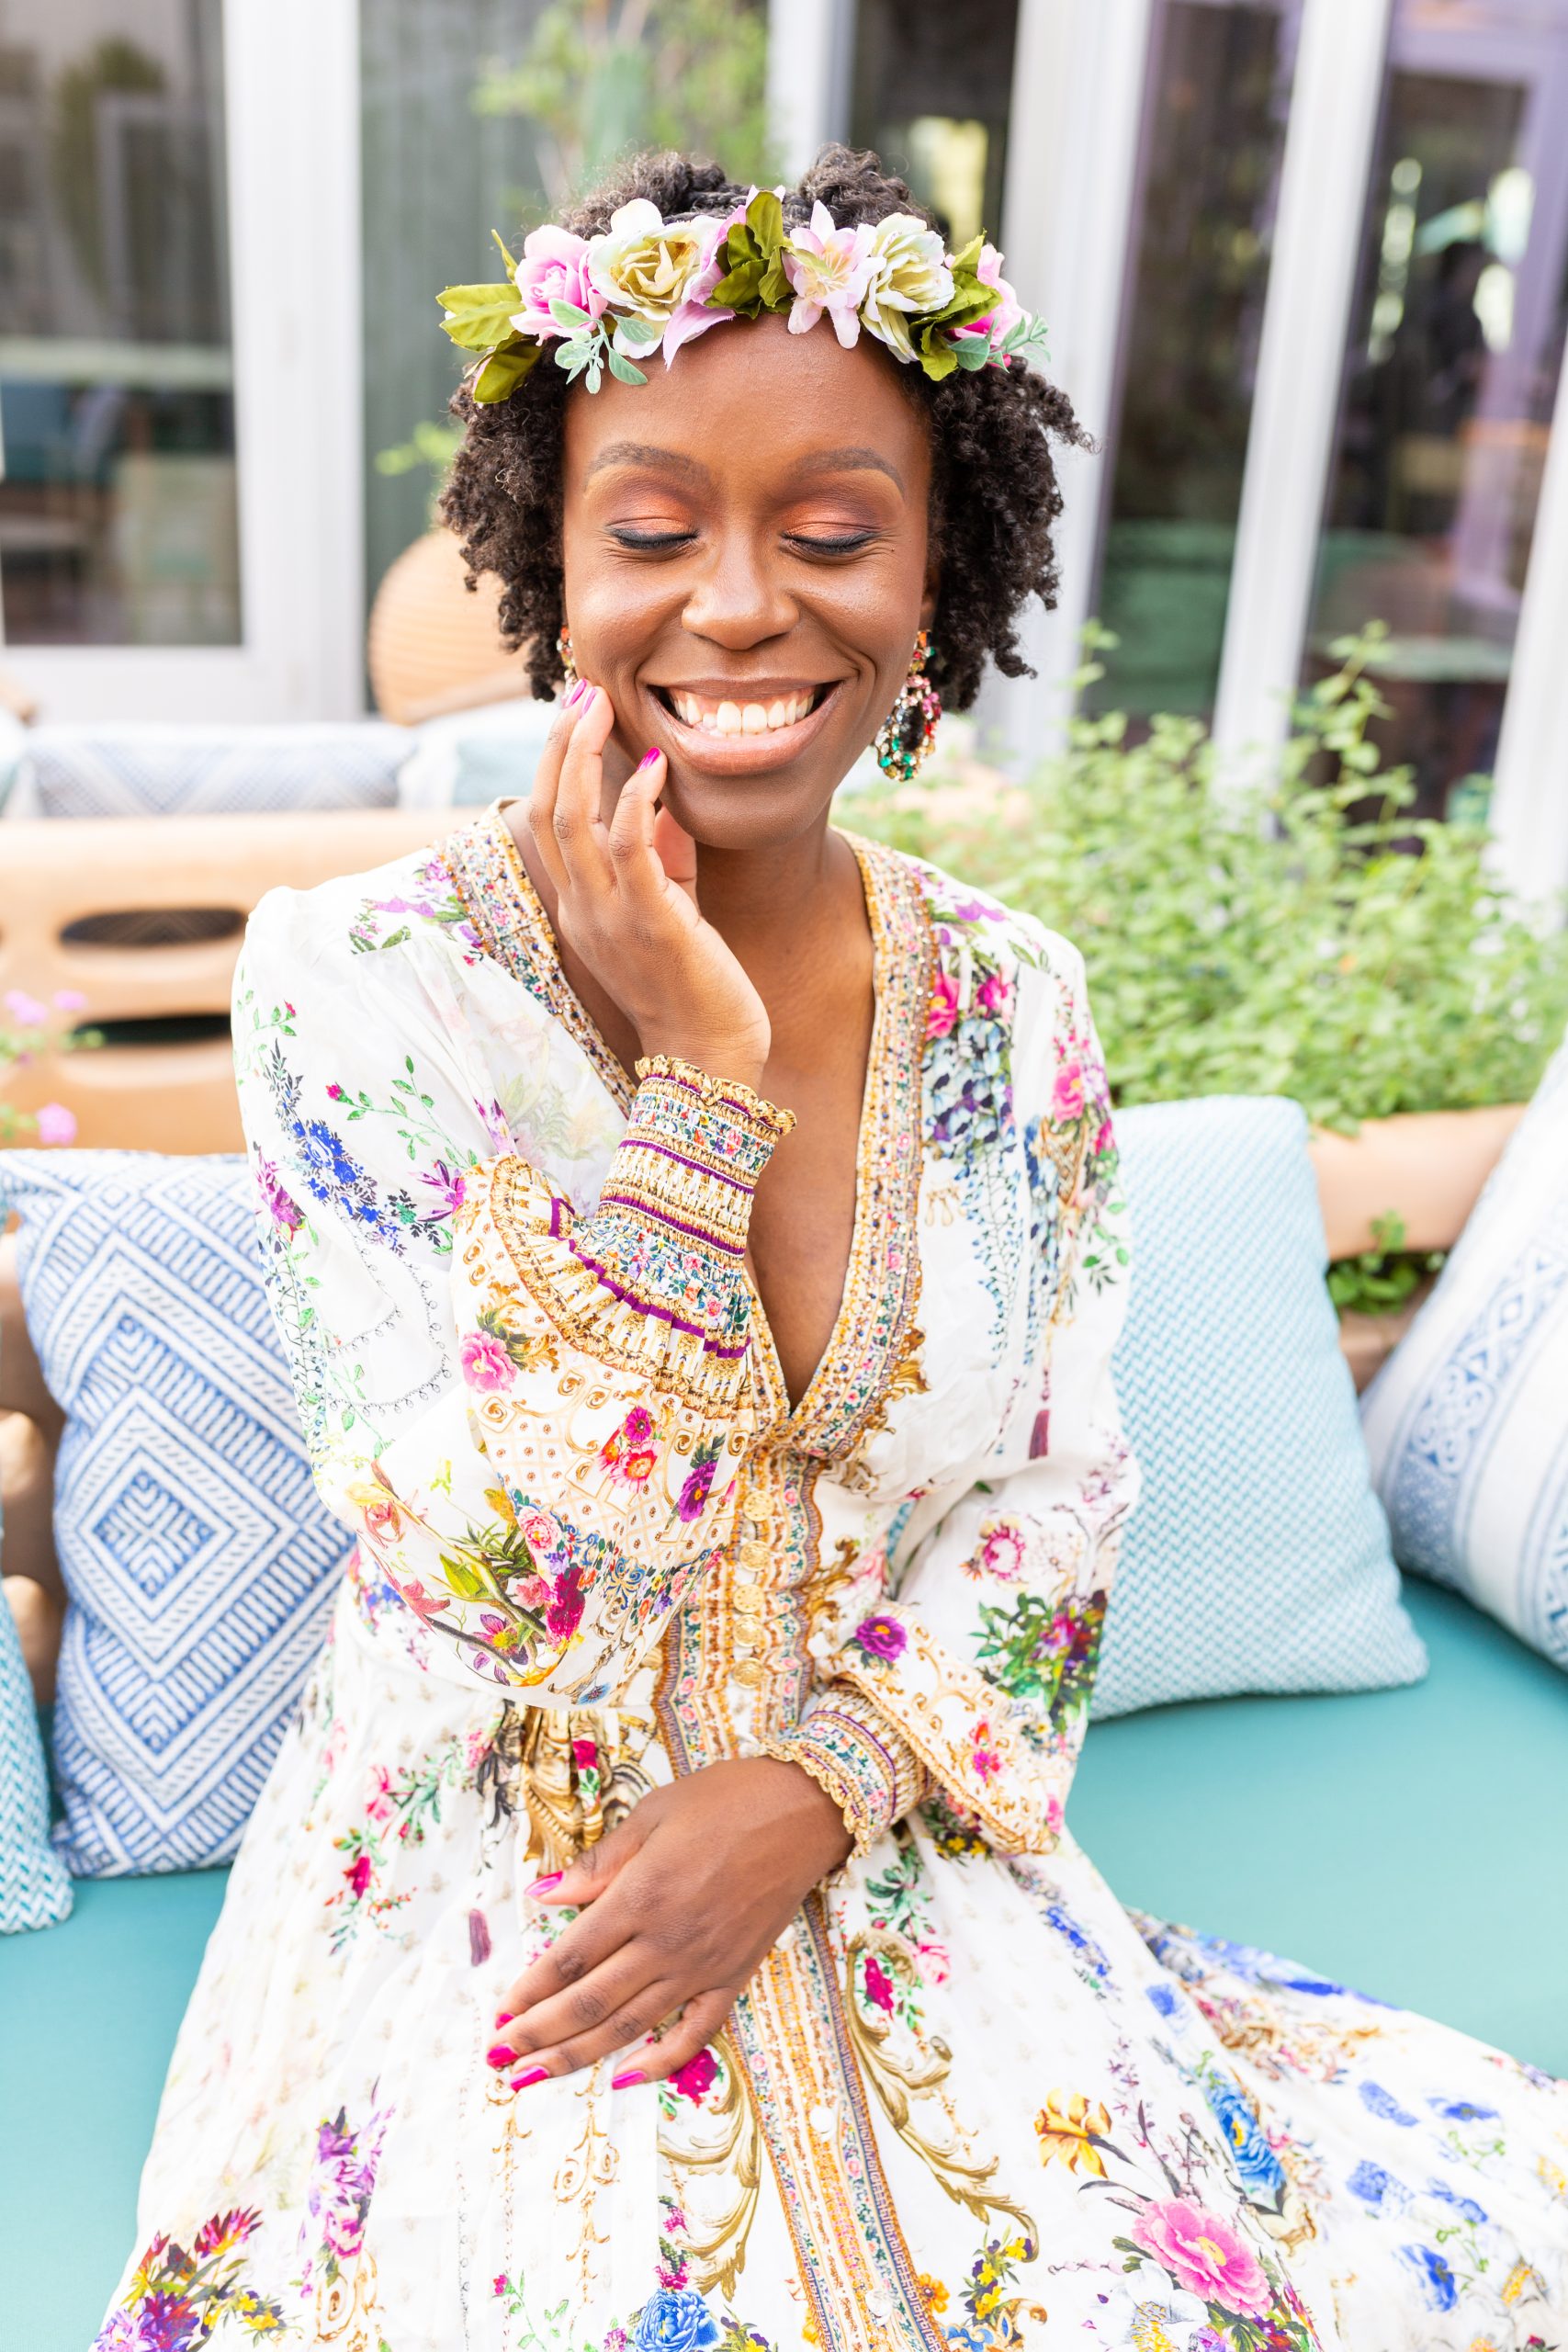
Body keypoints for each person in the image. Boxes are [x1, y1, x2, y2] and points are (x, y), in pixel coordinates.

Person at [95, 148, 1566, 2352]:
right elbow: (495, 1553)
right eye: (655, 528)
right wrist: (699, 1081)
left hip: (883, 1803)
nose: (738, 606)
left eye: (831, 530)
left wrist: (815, 1788)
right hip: (508, 1871)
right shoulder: (360, 985)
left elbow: (1056, 1484)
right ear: (552, 569)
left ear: (935, 570)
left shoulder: (1013, 1003)